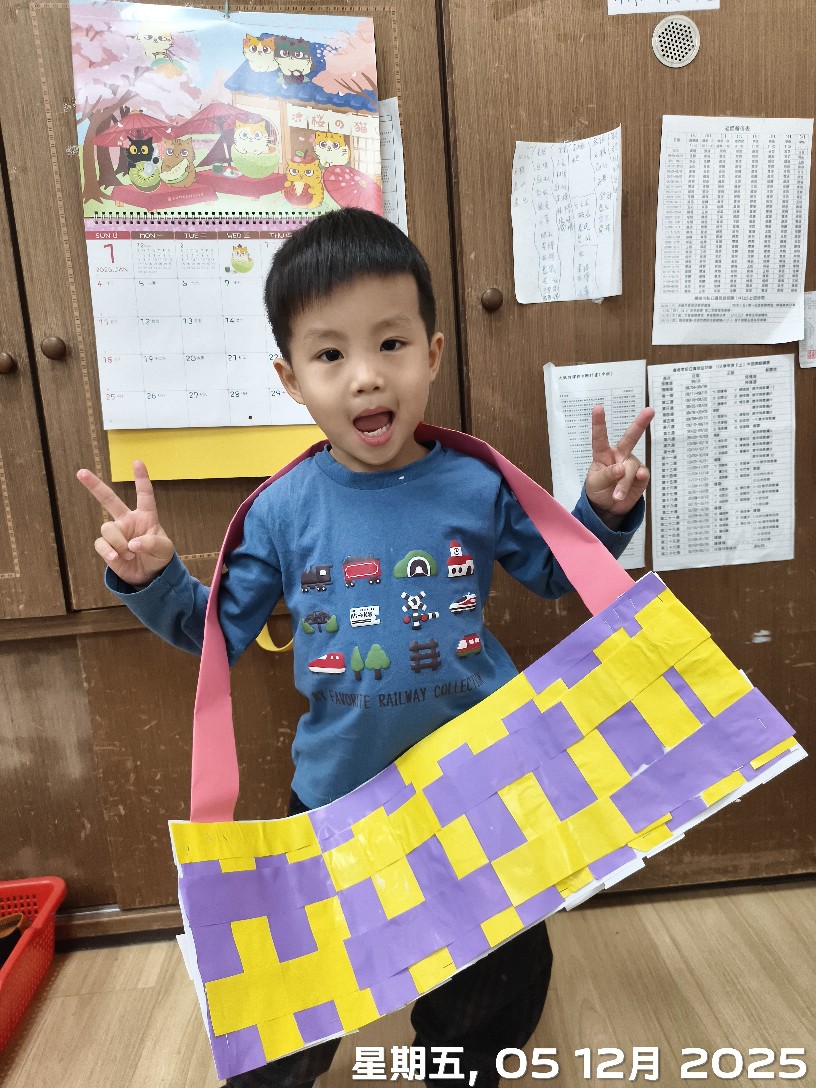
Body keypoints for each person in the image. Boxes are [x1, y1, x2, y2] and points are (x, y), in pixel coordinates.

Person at [77, 208, 653, 1088]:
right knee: (297, 987)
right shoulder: (280, 510)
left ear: (432, 352)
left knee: (499, 973)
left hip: (481, 786)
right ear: (290, 377)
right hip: (336, 795)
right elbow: (212, 634)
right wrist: (154, 575)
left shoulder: (476, 481)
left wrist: (604, 511)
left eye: (390, 343)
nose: (366, 376)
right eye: (330, 354)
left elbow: (554, 572)